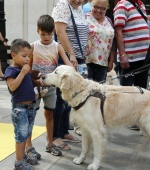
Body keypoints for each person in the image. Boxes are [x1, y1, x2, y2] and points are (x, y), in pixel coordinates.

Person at [29, 15, 73, 156]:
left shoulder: (57, 46)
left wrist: (72, 72)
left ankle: (49, 143)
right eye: (43, 34)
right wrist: (33, 80)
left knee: (50, 115)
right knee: (31, 115)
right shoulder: (33, 46)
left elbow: (68, 64)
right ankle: (28, 146)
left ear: (53, 31)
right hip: (35, 88)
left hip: (51, 88)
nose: (46, 37)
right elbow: (28, 68)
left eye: (49, 34)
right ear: (38, 31)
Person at [52, 0, 89, 144]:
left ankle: (64, 130)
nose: (78, 1)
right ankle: (55, 135)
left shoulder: (79, 9)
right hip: (65, 58)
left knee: (69, 96)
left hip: (77, 58)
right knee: (61, 98)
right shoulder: (63, 5)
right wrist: (71, 54)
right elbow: (60, 32)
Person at [114, 0, 150, 130]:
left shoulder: (140, 5)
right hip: (129, 57)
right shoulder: (122, 5)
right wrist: (123, 55)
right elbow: (118, 32)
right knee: (127, 90)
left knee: (141, 89)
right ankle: (126, 118)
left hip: (143, 57)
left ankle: (137, 118)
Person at [5, 39, 40, 170]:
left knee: (26, 133)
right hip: (19, 109)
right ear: (14, 55)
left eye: (29, 56)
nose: (27, 59)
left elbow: (27, 84)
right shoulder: (11, 70)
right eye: (24, 56)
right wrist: (23, 73)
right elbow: (13, 87)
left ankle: (23, 155)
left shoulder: (23, 69)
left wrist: (37, 82)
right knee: (20, 135)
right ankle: (18, 162)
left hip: (30, 107)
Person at [85, 0, 115, 82]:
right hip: (87, 62)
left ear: (106, 9)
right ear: (91, 5)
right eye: (96, 7)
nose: (99, 10)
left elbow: (112, 42)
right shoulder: (84, 18)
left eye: (103, 8)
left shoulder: (109, 20)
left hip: (103, 63)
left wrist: (111, 61)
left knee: (99, 91)